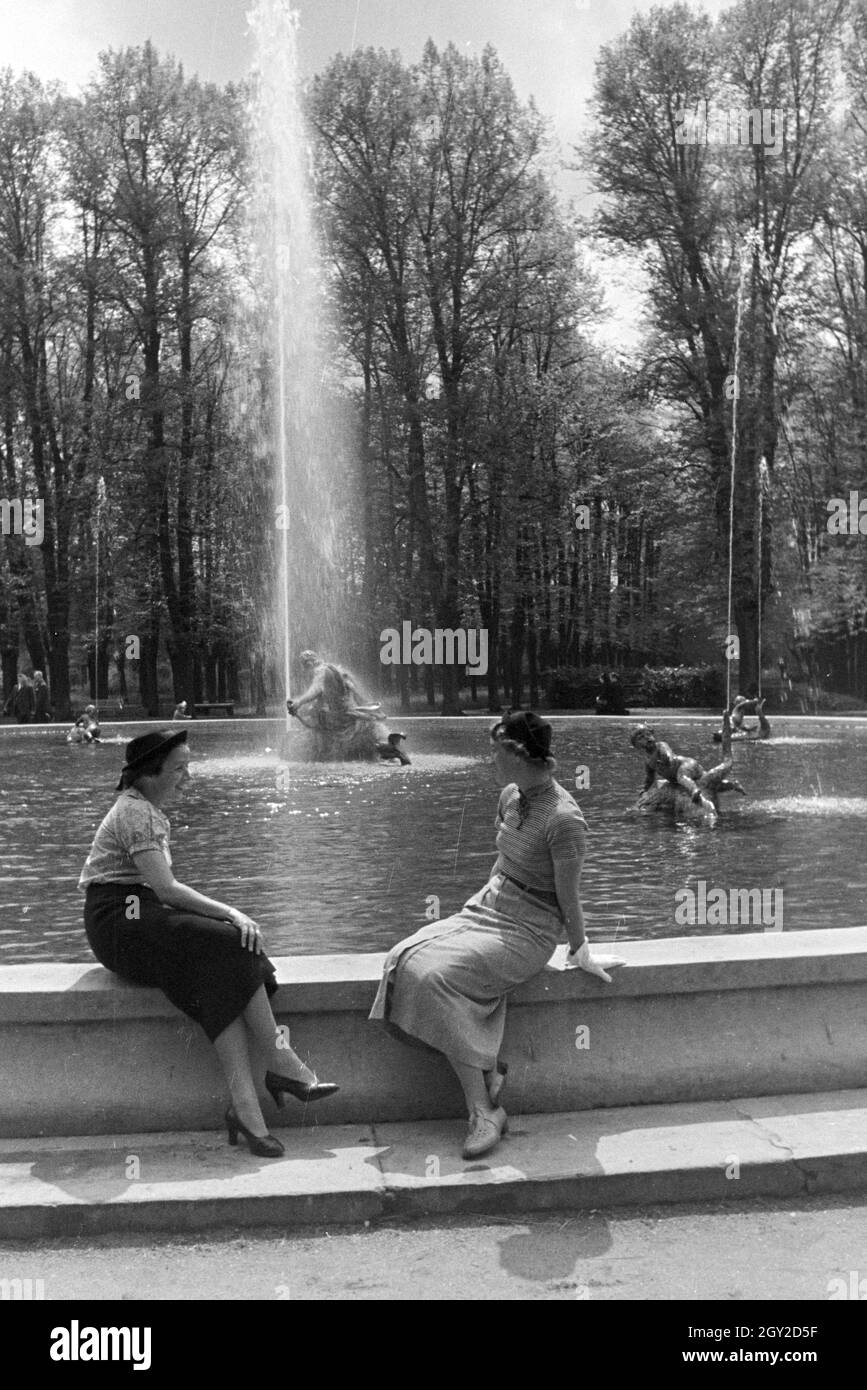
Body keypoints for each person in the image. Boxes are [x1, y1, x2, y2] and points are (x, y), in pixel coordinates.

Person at [369, 712, 625, 1161]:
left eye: (496, 750)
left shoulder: (566, 821)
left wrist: (580, 950)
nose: (491, 758)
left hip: (530, 929)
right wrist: (476, 913)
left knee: (435, 978)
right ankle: (487, 1066)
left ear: (520, 754)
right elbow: (502, 860)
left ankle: (484, 1109)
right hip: (489, 905)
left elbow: (569, 898)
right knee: (401, 958)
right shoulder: (511, 795)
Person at [79, 729, 339, 1157]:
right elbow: (166, 890)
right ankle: (283, 1064)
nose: (189, 777)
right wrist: (232, 912)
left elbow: (161, 893)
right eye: (179, 768)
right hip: (119, 917)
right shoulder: (137, 813)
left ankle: (247, 1111)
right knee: (231, 937)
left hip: (134, 912)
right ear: (148, 774)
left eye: (188, 766)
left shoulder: (145, 808)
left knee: (219, 976)